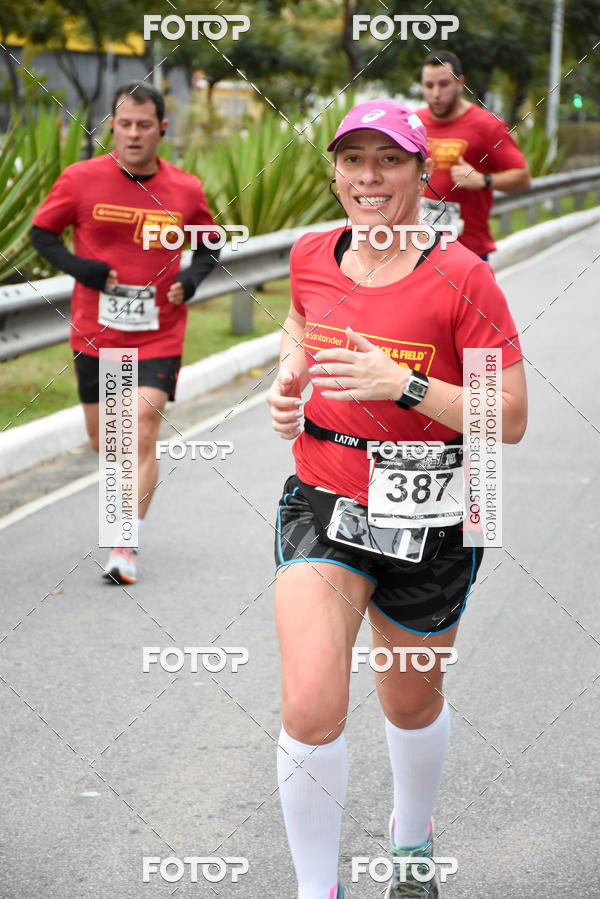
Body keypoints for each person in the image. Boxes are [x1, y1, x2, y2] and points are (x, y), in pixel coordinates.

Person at [267, 99, 527, 898]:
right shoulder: (312, 251)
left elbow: (509, 416)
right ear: (335, 170)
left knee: (409, 704)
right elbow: (298, 324)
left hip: (435, 517)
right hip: (324, 500)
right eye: (353, 160)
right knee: (311, 705)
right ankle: (319, 889)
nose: (368, 177)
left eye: (388, 160)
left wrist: (405, 384)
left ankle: (410, 838)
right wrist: (290, 376)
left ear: (422, 172)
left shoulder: (463, 276)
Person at [30, 81, 218, 585]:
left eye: (143, 125)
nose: (133, 134)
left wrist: (189, 280)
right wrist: (82, 269)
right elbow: (40, 234)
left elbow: (209, 244)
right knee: (105, 439)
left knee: (138, 426)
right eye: (124, 124)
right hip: (96, 333)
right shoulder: (80, 179)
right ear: (113, 125)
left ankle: (123, 544)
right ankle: (127, 502)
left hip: (159, 331)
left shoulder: (186, 189)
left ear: (162, 128)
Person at [417, 50, 531, 260]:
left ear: (460, 83)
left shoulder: (487, 126)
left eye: (443, 84)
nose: (435, 93)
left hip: (468, 252)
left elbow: (522, 178)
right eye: (429, 86)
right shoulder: (413, 123)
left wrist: (483, 179)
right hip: (419, 249)